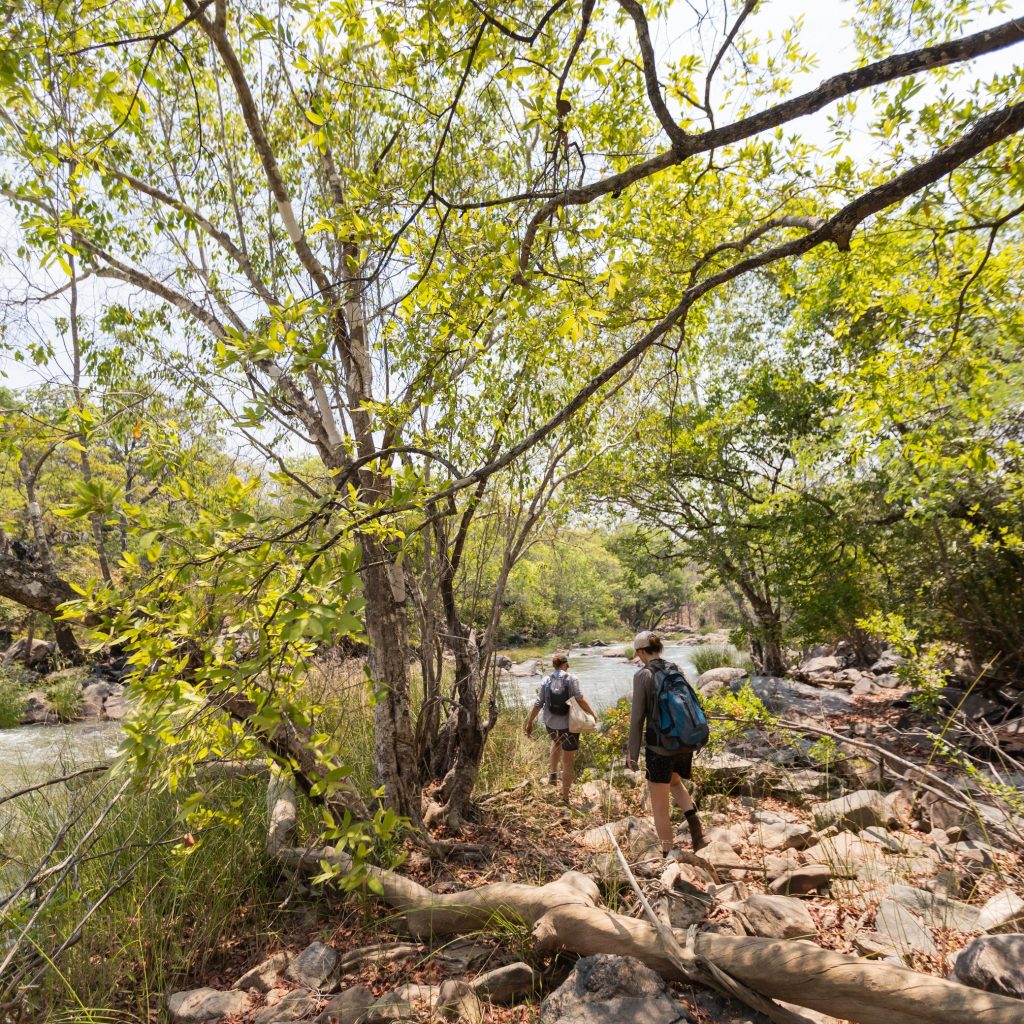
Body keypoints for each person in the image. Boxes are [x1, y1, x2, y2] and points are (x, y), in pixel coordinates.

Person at [626, 631, 705, 854]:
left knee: (659, 807)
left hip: (659, 747)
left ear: (642, 651)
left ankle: (666, 855)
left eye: (638, 653)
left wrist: (632, 753)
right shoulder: (675, 669)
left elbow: (637, 719)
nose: (638, 657)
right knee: (674, 782)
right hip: (683, 742)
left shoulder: (643, 676)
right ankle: (697, 832)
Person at [525, 654, 596, 804]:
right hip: (569, 725)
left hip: (550, 723)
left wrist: (530, 722)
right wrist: (592, 713)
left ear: (554, 665)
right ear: (566, 665)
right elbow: (579, 699)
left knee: (556, 742)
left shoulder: (546, 680)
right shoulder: (572, 679)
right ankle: (564, 798)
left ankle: (552, 774)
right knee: (568, 761)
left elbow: (539, 703)